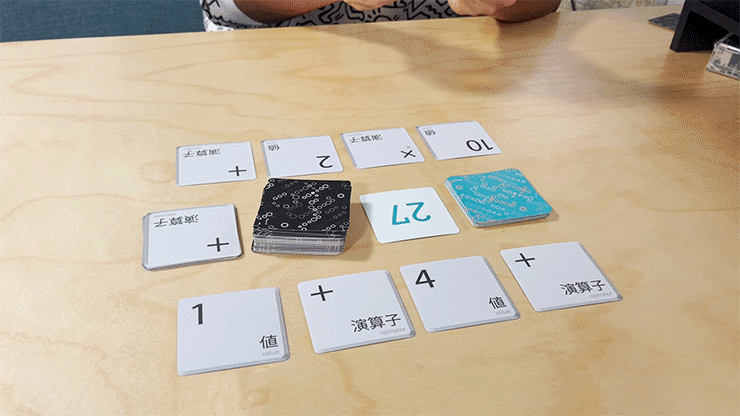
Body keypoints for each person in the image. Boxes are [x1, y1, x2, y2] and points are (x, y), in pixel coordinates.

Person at [201, 0, 562, 31]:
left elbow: (547, 4)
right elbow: (223, 8)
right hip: (274, 74)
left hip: (459, 72)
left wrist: (502, 4)